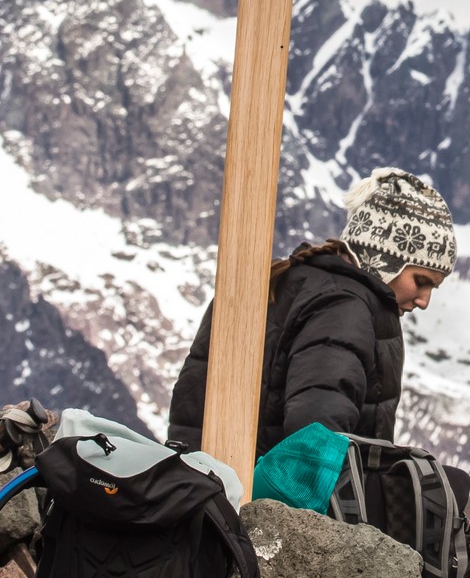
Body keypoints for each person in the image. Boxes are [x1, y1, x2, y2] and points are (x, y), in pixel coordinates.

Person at [167, 168, 454, 453]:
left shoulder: (282, 279)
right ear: (385, 259)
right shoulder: (343, 306)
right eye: (420, 281)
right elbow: (318, 424)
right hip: (268, 489)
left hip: (205, 479)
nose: (423, 301)